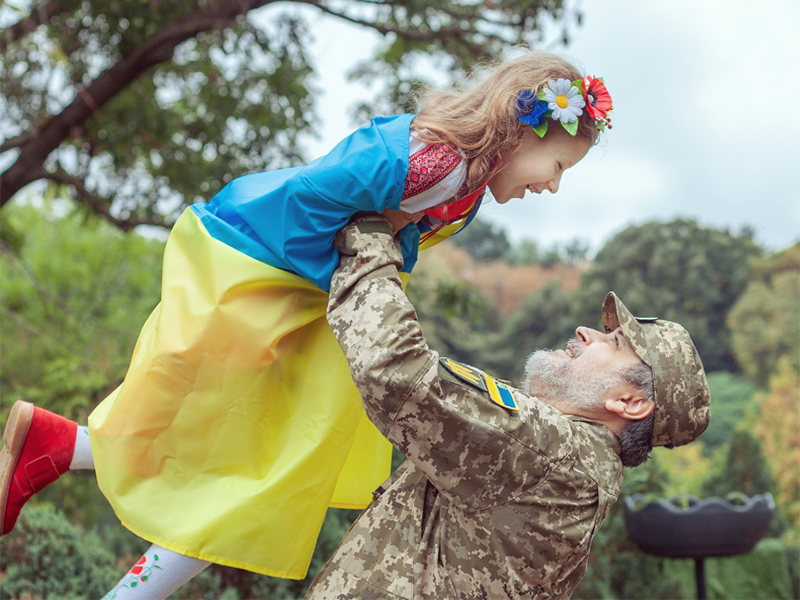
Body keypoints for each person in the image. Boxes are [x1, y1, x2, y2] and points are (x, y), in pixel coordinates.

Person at [0, 52, 614, 599]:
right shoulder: (436, 162)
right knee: (261, 476)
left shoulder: (465, 184)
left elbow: (379, 235)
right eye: (557, 164)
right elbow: (315, 195)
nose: (554, 185)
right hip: (268, 268)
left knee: (254, 464)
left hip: (302, 287)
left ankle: (59, 446)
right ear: (519, 130)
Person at [305, 216, 710, 599]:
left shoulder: (554, 453)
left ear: (630, 402)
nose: (585, 332)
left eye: (616, 343)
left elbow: (395, 371)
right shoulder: (572, 461)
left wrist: (370, 235)